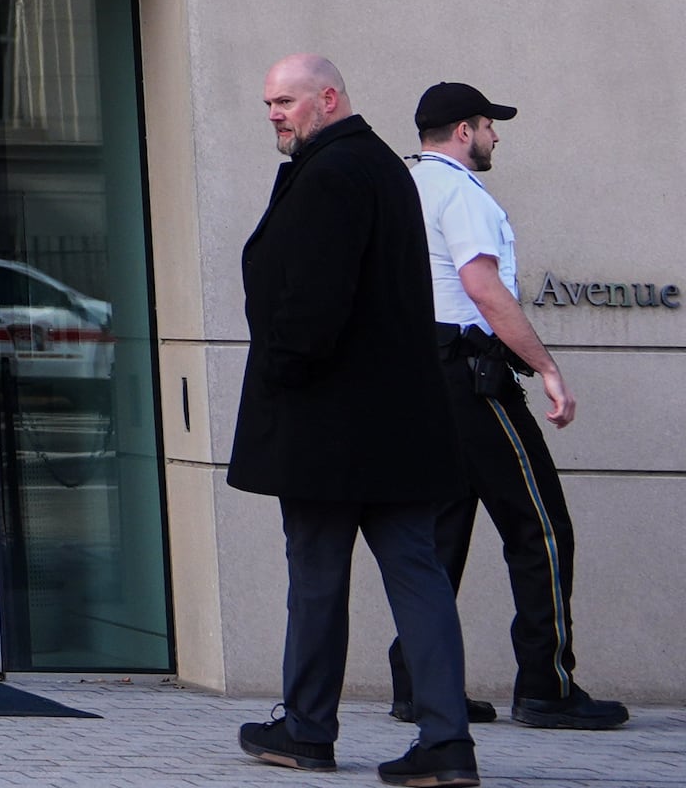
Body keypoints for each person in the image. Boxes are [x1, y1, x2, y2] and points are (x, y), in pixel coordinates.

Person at [231, 54, 476, 785]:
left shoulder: (333, 175)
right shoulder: (380, 168)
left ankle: (307, 729)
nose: (274, 113)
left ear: (328, 97)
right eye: (268, 103)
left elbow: (311, 305)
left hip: (329, 424)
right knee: (418, 574)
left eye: (285, 101)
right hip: (396, 423)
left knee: (315, 575)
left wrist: (282, 375)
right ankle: (447, 740)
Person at [380, 83, 632, 733]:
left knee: (440, 537)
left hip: (417, 378)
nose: (497, 137)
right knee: (540, 527)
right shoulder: (461, 194)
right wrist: (546, 367)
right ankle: (546, 686)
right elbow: (483, 289)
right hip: (469, 379)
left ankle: (419, 684)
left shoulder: (402, 189)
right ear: (464, 131)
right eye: (490, 126)